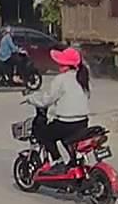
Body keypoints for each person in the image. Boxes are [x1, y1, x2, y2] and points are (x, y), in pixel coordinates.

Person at [27, 46, 91, 176]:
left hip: (66, 123)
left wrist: (31, 99)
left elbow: (46, 100)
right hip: (82, 122)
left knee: (43, 134)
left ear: (65, 64)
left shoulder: (61, 79)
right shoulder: (82, 78)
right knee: (66, 138)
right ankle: (74, 162)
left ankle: (57, 161)